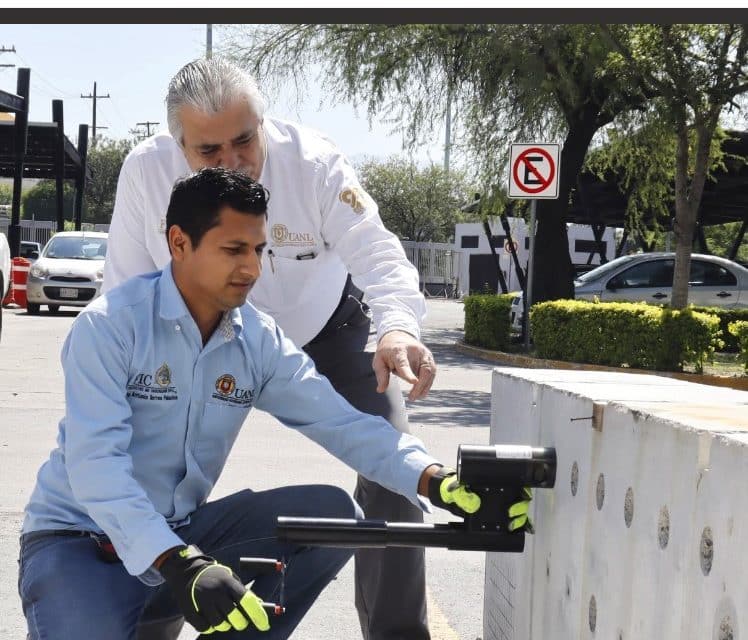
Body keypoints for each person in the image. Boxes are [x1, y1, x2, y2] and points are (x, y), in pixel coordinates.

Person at [19, 168, 525, 640]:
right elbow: (96, 468)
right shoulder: (111, 327)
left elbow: (340, 422)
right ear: (179, 242)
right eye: (234, 249)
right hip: (81, 544)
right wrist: (180, 563)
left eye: (260, 249)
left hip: (181, 538)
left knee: (335, 515)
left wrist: (436, 480)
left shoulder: (255, 339)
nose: (252, 268)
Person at [102, 57, 437, 639]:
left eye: (244, 139)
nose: (234, 162)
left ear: (264, 121)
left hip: (325, 333)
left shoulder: (315, 162)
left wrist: (397, 327)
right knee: (145, 479)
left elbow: (379, 254)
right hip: (198, 339)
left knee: (395, 465)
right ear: (178, 145)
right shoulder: (145, 171)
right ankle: (146, 626)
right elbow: (124, 291)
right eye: (209, 151)